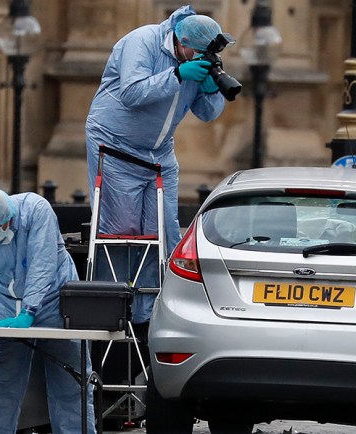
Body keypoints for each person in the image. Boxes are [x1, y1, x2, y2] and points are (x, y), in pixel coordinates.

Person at [85, 5, 227, 326]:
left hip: (159, 154)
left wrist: (211, 90)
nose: (202, 58)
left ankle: (150, 317)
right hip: (115, 146)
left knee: (162, 235)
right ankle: (113, 315)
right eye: (200, 53)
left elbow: (208, 114)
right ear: (182, 42)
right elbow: (132, 92)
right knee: (120, 234)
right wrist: (177, 75)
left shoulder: (194, 57)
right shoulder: (143, 41)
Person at [0, 188, 95, 434]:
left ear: (8, 221)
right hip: (5, 303)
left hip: (54, 301)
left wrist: (29, 311)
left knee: (70, 385)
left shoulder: (36, 210)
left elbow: (42, 265)